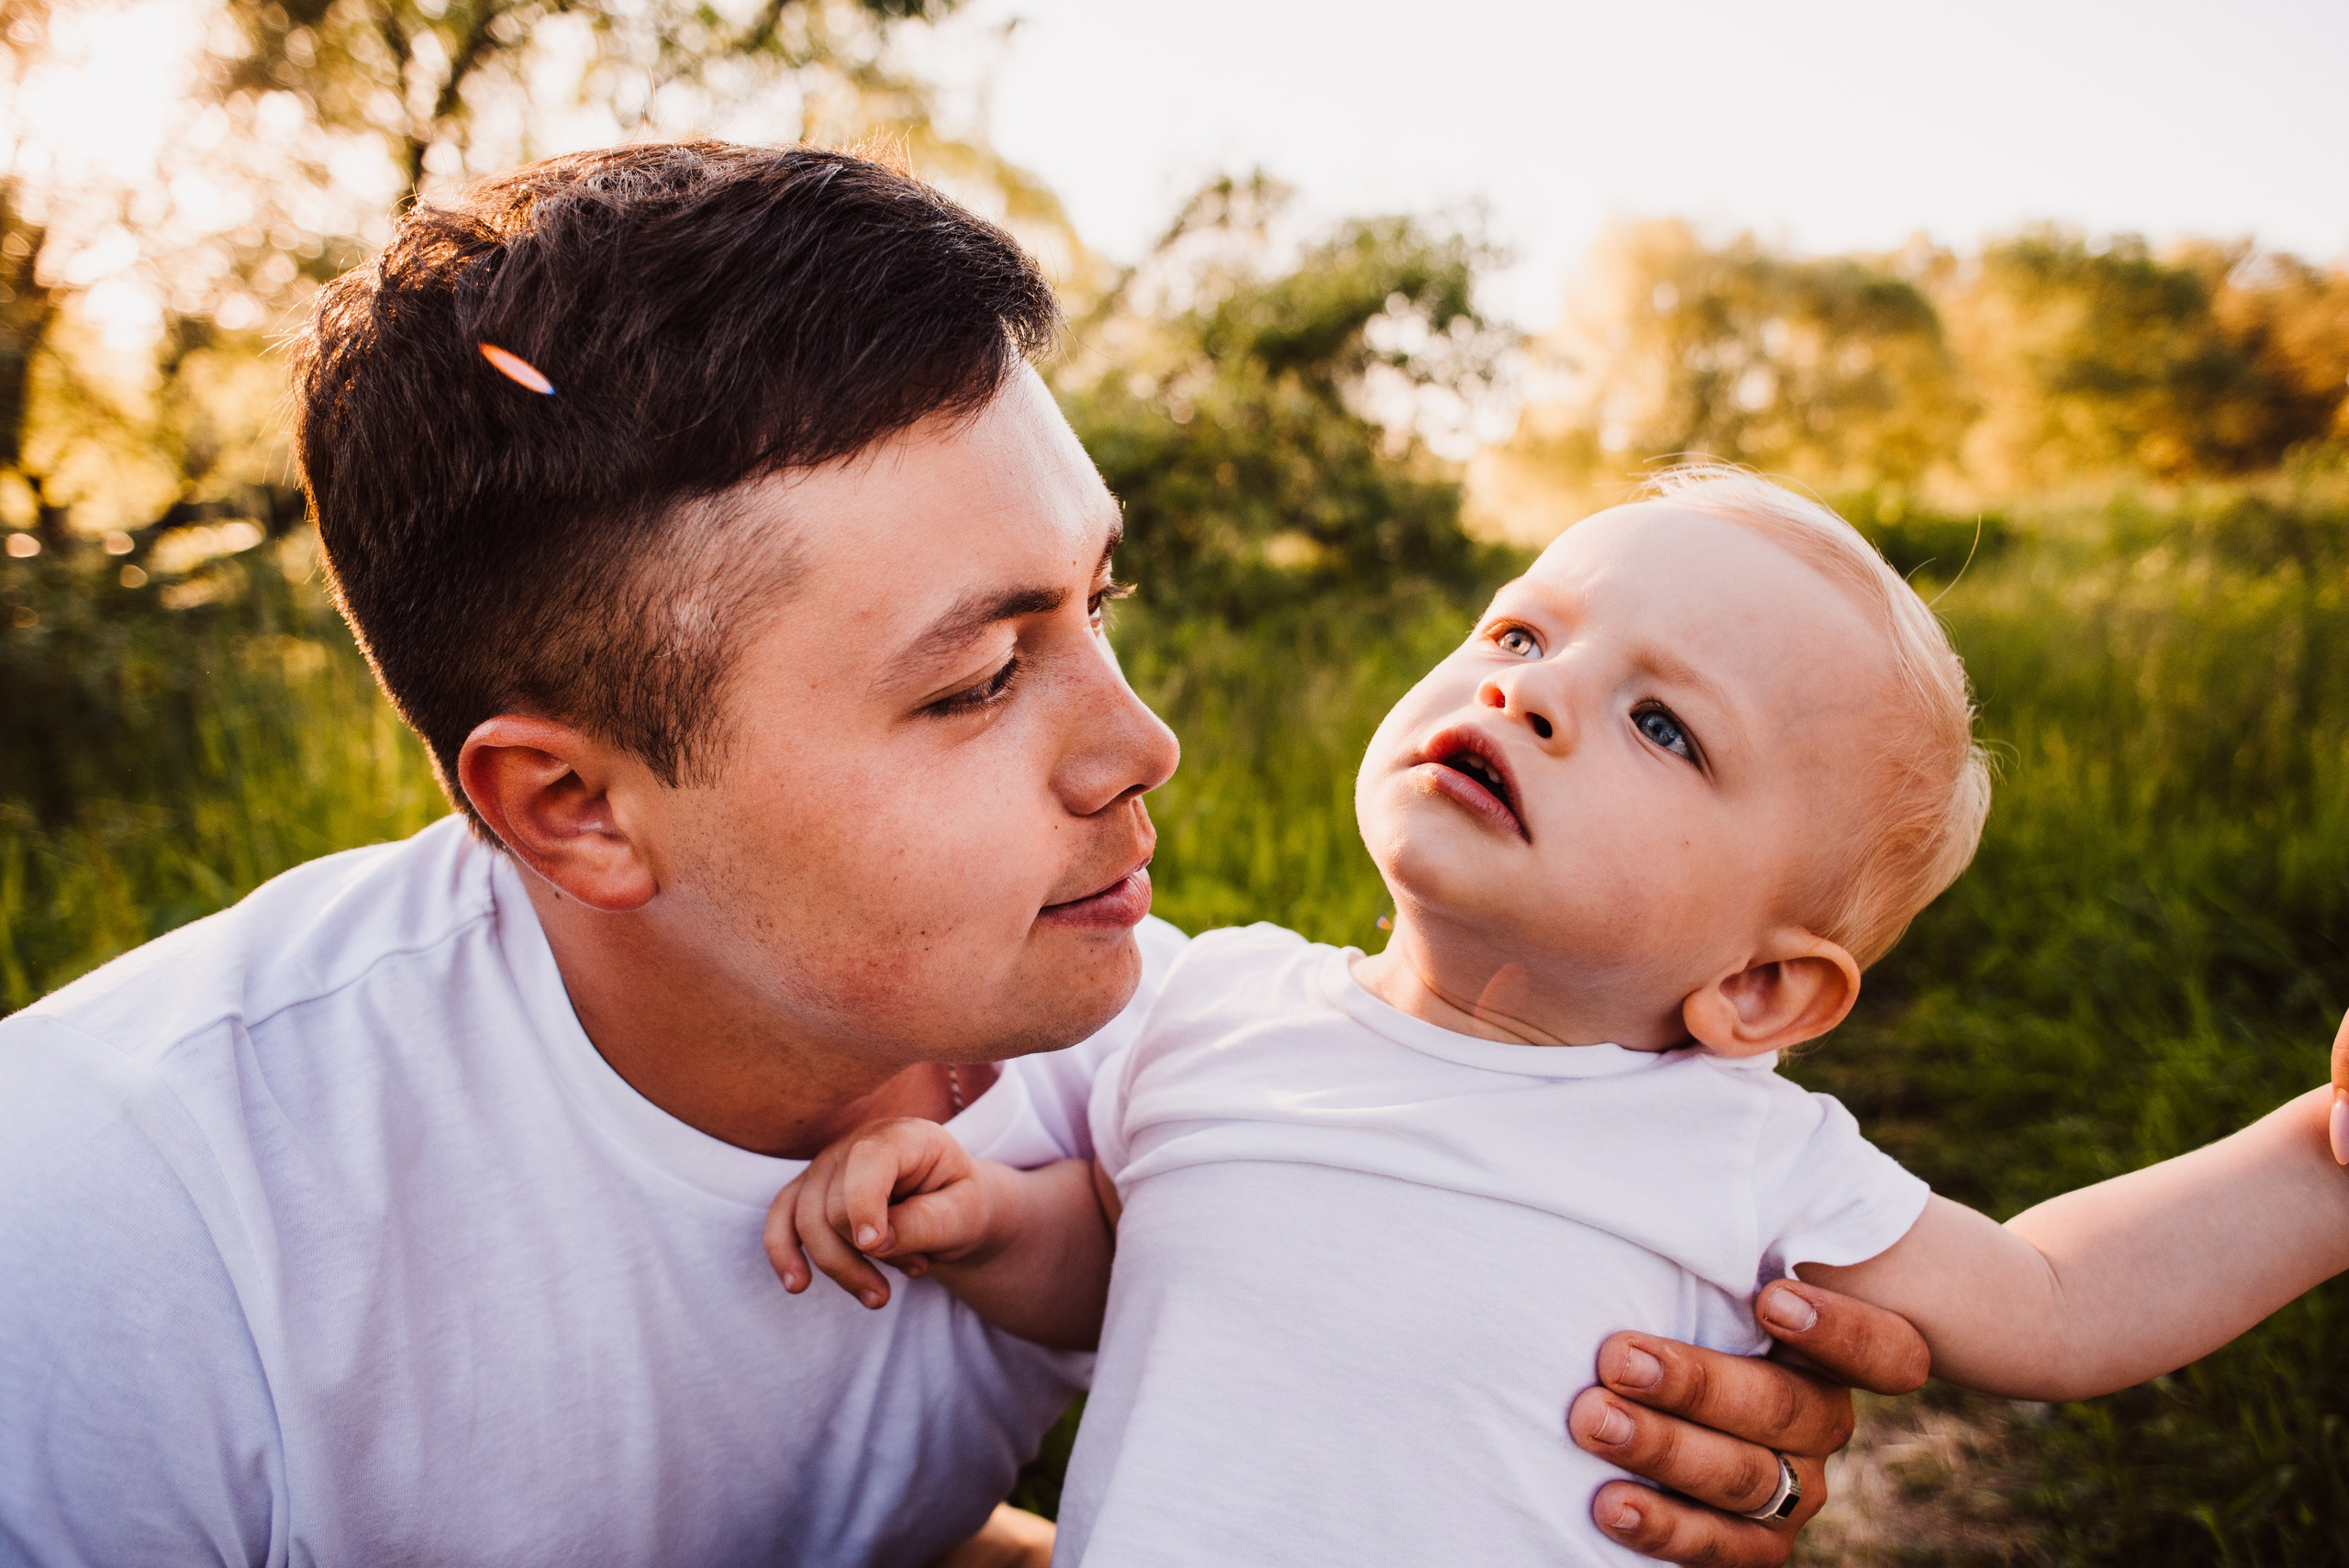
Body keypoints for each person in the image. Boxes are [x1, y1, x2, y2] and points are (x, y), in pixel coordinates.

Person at [0, 143, 1916, 1568]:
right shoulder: (115, 1248)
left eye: (1099, 601)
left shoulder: (1171, 1064)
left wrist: (1611, 1426)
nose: (1141, 745)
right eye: (981, 678)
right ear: (573, 808)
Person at [773, 471, 2349, 1565]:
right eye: (1523, 633)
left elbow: (2056, 1302)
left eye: (1663, 724)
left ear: (1759, 988)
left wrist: (2322, 1159)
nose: (1529, 692)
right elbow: (1133, 1268)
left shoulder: (1734, 1149)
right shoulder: (1212, 1004)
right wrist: (990, 1223)